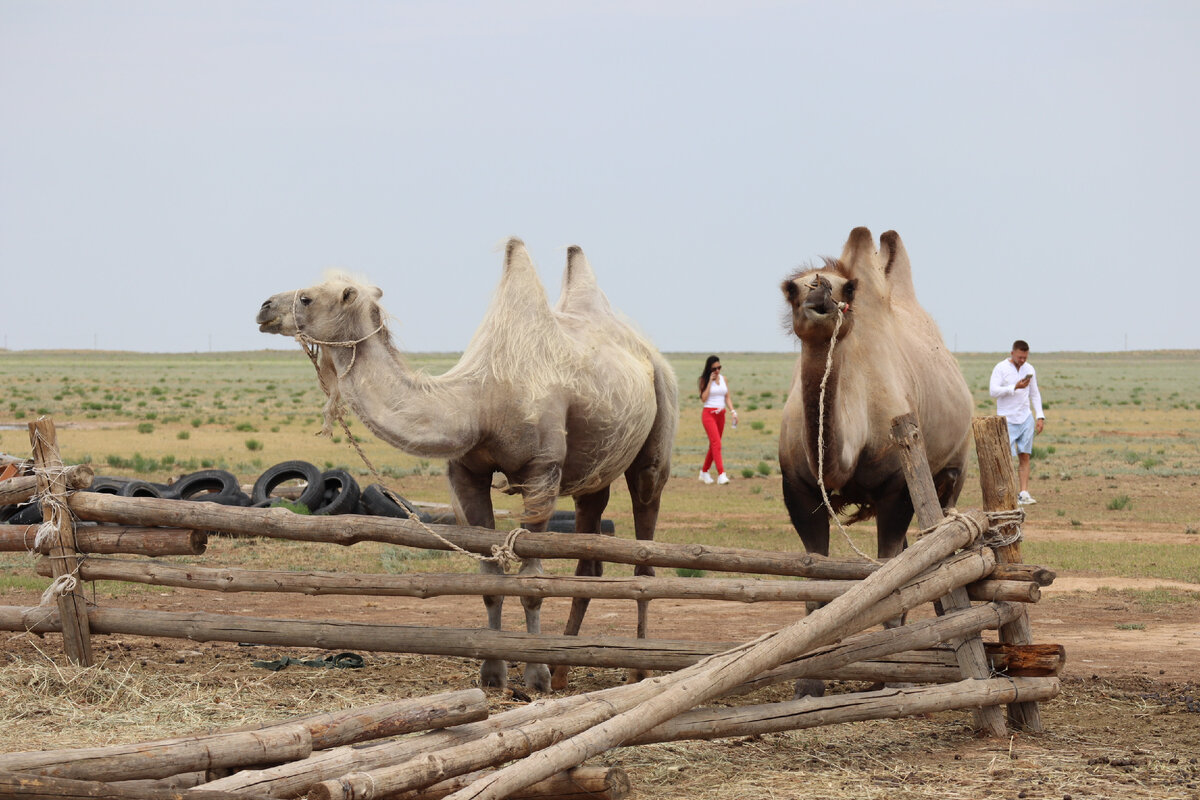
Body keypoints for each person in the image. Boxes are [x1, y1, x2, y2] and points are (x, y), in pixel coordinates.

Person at [989, 339, 1045, 505]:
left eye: (1025, 357)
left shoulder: (1029, 369)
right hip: (1007, 419)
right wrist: (1014, 387)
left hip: (1025, 417)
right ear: (1012, 353)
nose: (1022, 360)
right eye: (1020, 357)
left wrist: (1039, 416)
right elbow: (993, 391)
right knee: (1005, 457)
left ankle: (1024, 492)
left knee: (1025, 455)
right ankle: (1005, 494)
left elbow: (1034, 394)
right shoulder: (1001, 368)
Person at [698, 355, 738, 485]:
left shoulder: (724, 379)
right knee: (717, 444)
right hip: (709, 414)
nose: (717, 371)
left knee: (714, 444)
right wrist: (710, 382)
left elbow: (727, 397)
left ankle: (704, 472)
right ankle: (721, 474)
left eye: (719, 367)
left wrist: (733, 411)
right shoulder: (703, 380)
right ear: (709, 369)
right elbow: (703, 398)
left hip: (721, 414)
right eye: (714, 368)